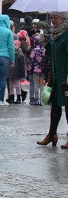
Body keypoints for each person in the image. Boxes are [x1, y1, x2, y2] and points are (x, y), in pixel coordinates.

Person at [37, 11, 68, 147]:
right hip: (56, 77)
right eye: (52, 18)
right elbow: (52, 54)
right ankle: (52, 134)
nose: (53, 21)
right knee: (55, 106)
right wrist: (46, 43)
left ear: (64, 19)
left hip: (65, 77)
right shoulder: (56, 34)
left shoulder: (66, 35)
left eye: (57, 18)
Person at [27, 33, 46, 105]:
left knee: (35, 84)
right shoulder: (44, 50)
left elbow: (31, 61)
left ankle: (36, 99)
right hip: (42, 70)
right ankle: (42, 99)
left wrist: (29, 70)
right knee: (41, 84)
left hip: (35, 70)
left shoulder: (34, 50)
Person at [7, 40, 26, 104]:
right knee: (11, 86)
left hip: (17, 73)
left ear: (19, 46)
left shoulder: (20, 55)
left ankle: (18, 97)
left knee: (17, 86)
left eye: (16, 45)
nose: (14, 46)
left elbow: (22, 66)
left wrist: (23, 75)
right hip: (10, 73)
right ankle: (11, 97)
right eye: (13, 45)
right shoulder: (9, 54)